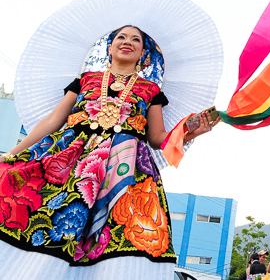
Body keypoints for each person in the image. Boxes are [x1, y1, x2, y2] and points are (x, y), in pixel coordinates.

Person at [0, 24, 219, 279]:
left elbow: (158, 138)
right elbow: (52, 121)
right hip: (73, 162)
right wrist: (12, 154)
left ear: (143, 54)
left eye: (136, 40)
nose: (127, 42)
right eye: (121, 37)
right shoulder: (84, 81)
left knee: (128, 232)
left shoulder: (151, 91)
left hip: (126, 170)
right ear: (110, 47)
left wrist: (193, 131)